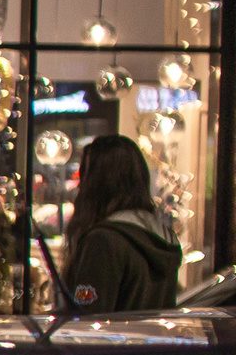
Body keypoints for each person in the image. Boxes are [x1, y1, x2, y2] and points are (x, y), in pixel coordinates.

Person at [62, 134, 181, 314]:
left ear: (98, 182)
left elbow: (87, 320)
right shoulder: (164, 236)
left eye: (85, 175)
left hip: (111, 333)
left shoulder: (103, 241)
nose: (79, 186)